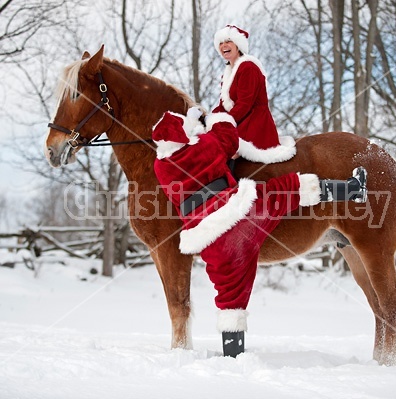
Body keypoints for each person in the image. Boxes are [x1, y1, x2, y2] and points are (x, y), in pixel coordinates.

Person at [152, 107, 367, 357]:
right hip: (237, 214)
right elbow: (228, 137)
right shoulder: (205, 146)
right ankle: (352, 190)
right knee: (287, 188)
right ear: (186, 134)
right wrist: (214, 118)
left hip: (207, 239)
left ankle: (233, 354)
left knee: (229, 294)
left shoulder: (161, 167)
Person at [211, 24, 296, 164]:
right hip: (240, 120)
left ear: (238, 44)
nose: (223, 45)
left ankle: (230, 184)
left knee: (224, 152)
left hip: (254, 122)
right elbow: (223, 105)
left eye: (228, 41)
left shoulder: (248, 68)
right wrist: (208, 119)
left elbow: (245, 104)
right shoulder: (228, 73)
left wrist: (225, 123)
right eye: (220, 43)